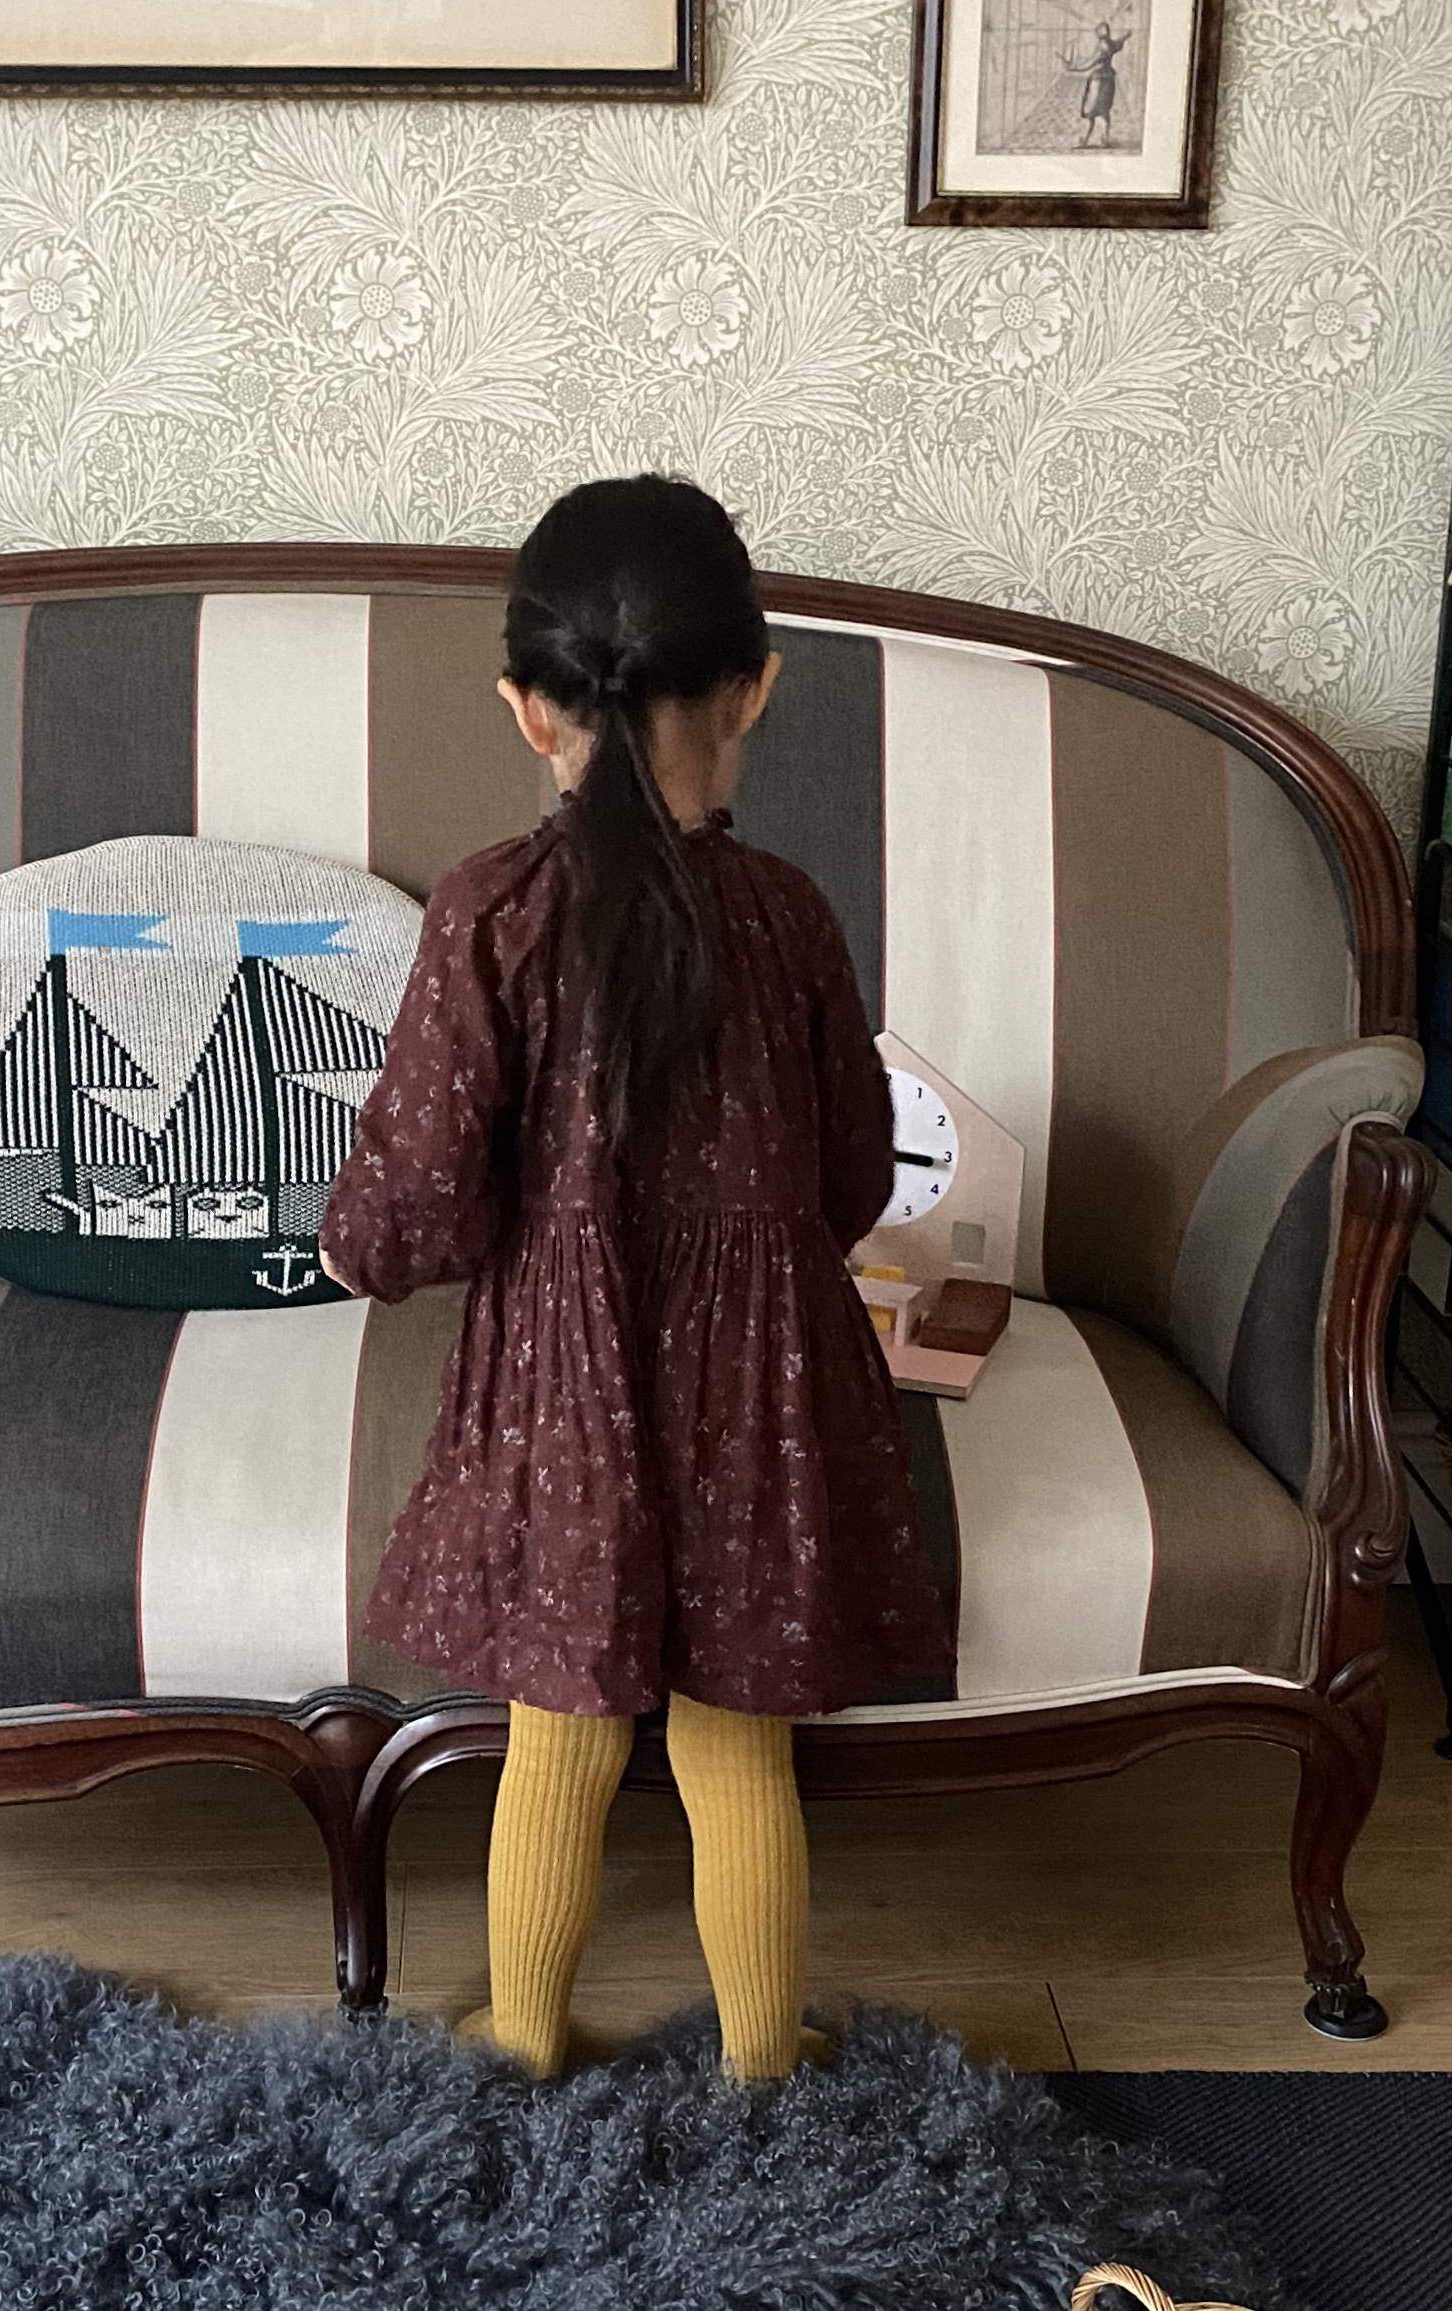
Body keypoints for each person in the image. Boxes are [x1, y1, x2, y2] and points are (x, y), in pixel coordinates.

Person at [318, 476, 952, 2083]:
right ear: (753, 690)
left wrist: (352, 1246)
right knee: (739, 1753)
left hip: (564, 1392)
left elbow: (424, 1179)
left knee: (561, 1738)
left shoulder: (492, 910)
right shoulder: (790, 915)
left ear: (529, 711)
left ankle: (522, 2032)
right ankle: (763, 2061)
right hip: (762, 1393)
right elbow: (853, 1170)